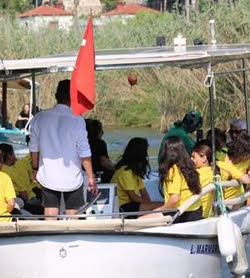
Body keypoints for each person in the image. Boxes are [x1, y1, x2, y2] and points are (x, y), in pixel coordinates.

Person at [29, 79, 97, 219]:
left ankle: (49, 237)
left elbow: (34, 147)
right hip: (72, 175)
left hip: (48, 173)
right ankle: (72, 237)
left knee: (50, 211)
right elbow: (84, 152)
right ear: (73, 97)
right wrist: (90, 176)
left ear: (56, 95)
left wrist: (35, 168)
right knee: (73, 213)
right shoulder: (77, 120)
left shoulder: (40, 117)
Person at [143, 136, 203, 223]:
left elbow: (174, 199)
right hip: (195, 212)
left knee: (141, 220)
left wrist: (160, 209)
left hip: (178, 213)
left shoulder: (173, 170)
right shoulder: (190, 168)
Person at [112, 137, 156, 214]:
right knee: (160, 206)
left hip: (131, 205)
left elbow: (144, 192)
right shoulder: (125, 171)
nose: (146, 155)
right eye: (145, 151)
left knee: (157, 206)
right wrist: (149, 205)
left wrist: (149, 204)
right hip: (122, 207)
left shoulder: (135, 171)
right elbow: (133, 197)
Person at [217, 132, 250, 202]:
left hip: (239, 198)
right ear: (240, 151)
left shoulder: (247, 159)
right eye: (248, 153)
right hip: (223, 201)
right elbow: (246, 180)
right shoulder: (220, 158)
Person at [191, 140, 216, 218]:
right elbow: (229, 174)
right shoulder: (216, 172)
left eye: (193, 157)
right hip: (209, 214)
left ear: (204, 158)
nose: (190, 159)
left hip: (196, 215)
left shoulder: (194, 174)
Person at [86, 119, 115, 183]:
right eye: (101, 129)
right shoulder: (99, 143)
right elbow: (104, 161)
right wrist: (115, 168)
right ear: (96, 131)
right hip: (98, 175)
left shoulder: (80, 144)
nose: (103, 132)